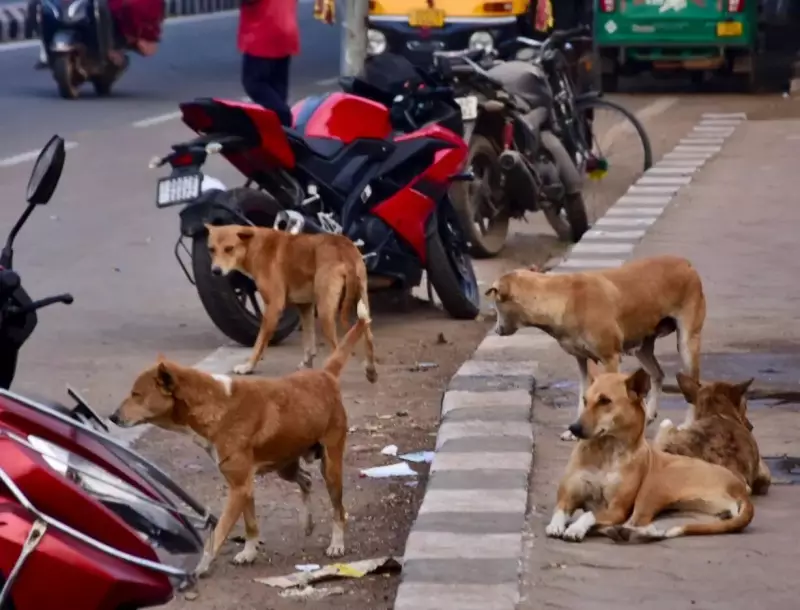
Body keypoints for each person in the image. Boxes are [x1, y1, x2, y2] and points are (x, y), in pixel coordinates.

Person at [238, 0, 301, 126]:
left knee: (254, 83)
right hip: (285, 30)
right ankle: (280, 131)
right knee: (276, 89)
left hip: (263, 31)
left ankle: (284, 116)